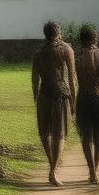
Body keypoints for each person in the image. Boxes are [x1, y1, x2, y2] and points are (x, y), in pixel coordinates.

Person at [32, 21, 76, 186]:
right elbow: (72, 77)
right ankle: (53, 170)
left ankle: (52, 166)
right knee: (60, 134)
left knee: (45, 133)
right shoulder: (66, 49)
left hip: (44, 95)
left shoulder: (38, 53)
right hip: (60, 95)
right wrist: (73, 99)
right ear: (58, 33)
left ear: (45, 34)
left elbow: (35, 79)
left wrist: (35, 97)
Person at [75, 24, 99, 184]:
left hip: (83, 99)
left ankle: (92, 170)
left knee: (86, 137)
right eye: (96, 37)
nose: (97, 39)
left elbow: (71, 79)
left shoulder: (76, 56)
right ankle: (94, 171)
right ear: (93, 39)